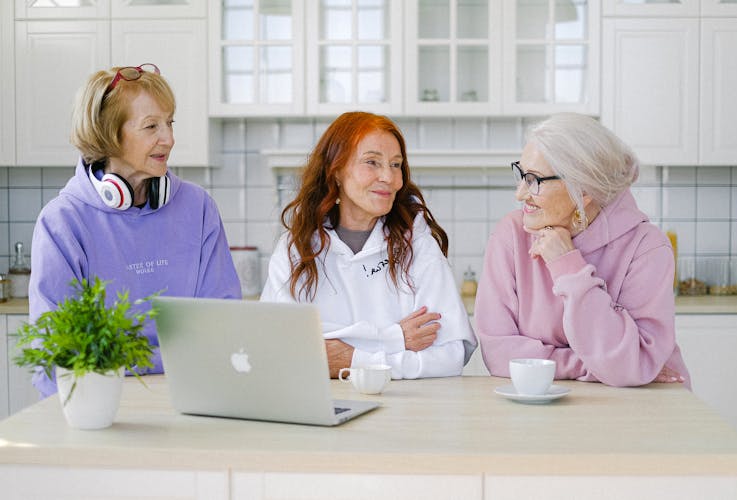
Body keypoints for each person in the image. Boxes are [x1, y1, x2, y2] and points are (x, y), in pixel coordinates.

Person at [29, 64, 241, 397]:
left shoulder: (197, 208)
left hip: (191, 398)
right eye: (151, 126)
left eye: (170, 122)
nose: (169, 139)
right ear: (108, 134)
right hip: (99, 405)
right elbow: (57, 357)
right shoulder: (62, 222)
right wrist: (172, 359)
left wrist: (119, 361)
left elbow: (224, 330)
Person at [475, 113, 690, 388]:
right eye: (521, 174)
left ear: (583, 190)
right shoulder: (512, 235)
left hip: (641, 405)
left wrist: (568, 267)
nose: (520, 193)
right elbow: (498, 353)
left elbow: (633, 363)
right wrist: (593, 366)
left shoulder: (647, 247)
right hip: (546, 404)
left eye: (534, 180)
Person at [261, 111, 476, 379]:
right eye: (372, 162)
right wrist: (395, 338)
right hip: (320, 408)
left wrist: (348, 359)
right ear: (336, 170)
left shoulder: (419, 246)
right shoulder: (295, 249)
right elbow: (279, 349)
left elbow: (451, 356)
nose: (388, 177)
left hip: (406, 414)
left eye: (396, 165)